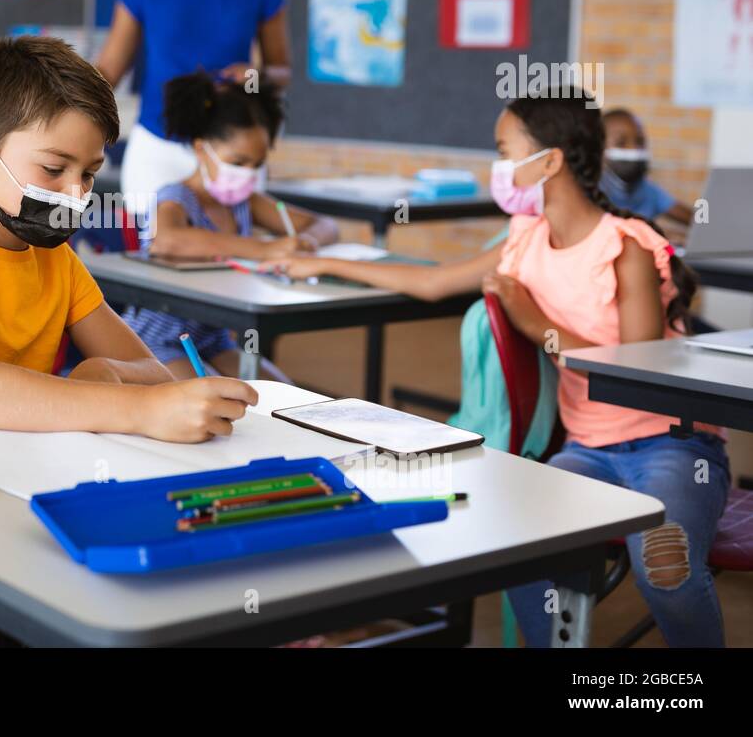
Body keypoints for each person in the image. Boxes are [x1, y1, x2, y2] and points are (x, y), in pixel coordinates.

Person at [266, 89, 729, 647]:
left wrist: (535, 322)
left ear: (550, 160)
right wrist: (315, 261)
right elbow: (433, 280)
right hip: (586, 452)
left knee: (665, 564)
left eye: (505, 151)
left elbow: (637, 374)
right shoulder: (526, 240)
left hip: (672, 447)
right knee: (520, 548)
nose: (499, 168)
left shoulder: (626, 247)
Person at [0, 36, 258, 438]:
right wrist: (137, 410)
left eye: (88, 173)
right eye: (54, 169)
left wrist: (109, 371)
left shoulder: (57, 261)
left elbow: (151, 371)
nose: (76, 193)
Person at [95, 0, 290, 216]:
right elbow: (109, 69)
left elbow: (282, 71)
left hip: (233, 150)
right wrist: (54, 97)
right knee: (161, 251)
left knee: (239, 247)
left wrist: (256, 77)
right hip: (159, 145)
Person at [124, 72, 337, 379]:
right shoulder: (176, 197)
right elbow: (166, 240)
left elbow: (325, 224)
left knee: (282, 393)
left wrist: (307, 241)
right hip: (157, 341)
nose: (247, 174)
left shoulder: (245, 201)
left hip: (212, 341)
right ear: (201, 149)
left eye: (257, 164)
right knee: (214, 403)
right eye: (237, 162)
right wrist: (266, 249)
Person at [599, 107, 692, 227]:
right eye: (621, 143)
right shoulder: (592, 190)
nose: (634, 150)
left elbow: (693, 218)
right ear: (600, 149)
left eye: (639, 142)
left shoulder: (647, 190)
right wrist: (655, 234)